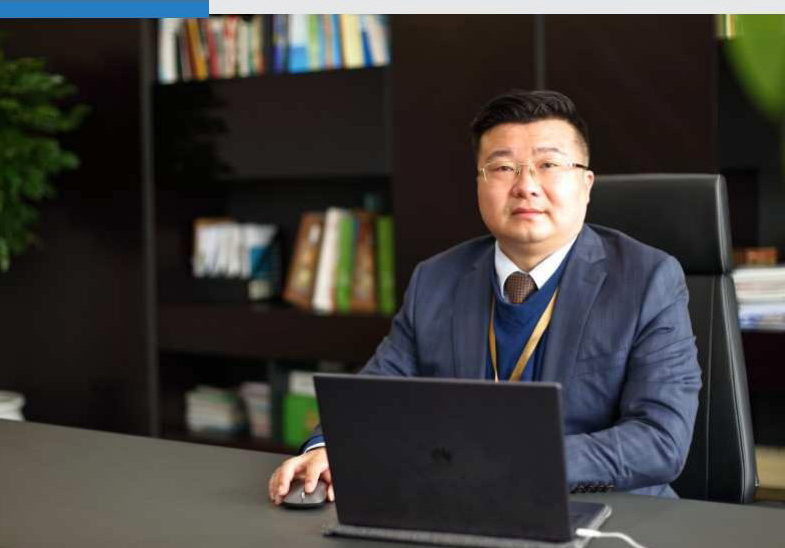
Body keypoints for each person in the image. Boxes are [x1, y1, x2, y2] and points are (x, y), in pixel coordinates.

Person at [268, 89, 701, 505]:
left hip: (610, 517)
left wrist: (523, 462)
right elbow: (375, 393)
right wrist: (328, 447)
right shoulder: (436, 279)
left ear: (586, 184)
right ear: (479, 184)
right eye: (503, 167)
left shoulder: (647, 280)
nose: (526, 186)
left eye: (549, 164)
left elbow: (661, 439)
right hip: (462, 506)